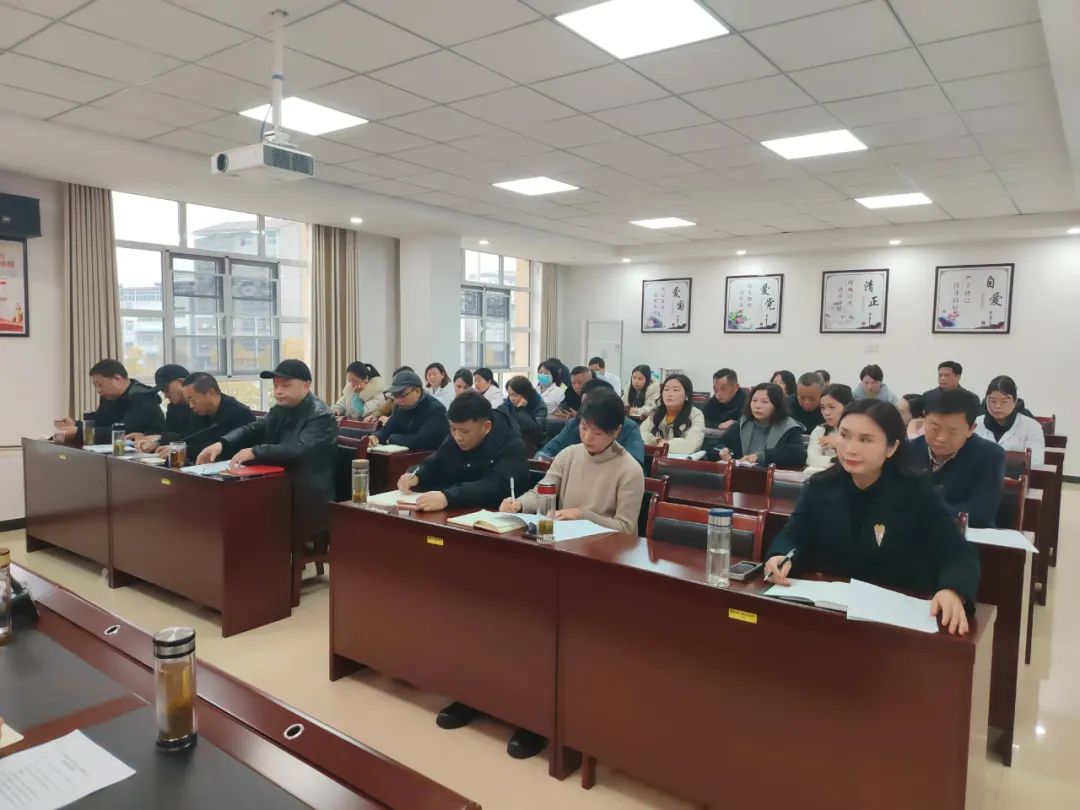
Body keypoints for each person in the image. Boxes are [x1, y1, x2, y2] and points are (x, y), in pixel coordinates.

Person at [764, 399, 979, 636]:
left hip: (894, 621)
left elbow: (958, 553)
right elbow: (793, 535)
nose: (850, 448)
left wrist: (952, 590)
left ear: (891, 447)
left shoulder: (918, 492)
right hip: (829, 613)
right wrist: (780, 556)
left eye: (865, 440)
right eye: (844, 435)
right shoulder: (821, 486)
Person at [196, 360, 336, 554]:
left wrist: (255, 451)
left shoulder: (321, 415)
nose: (278, 391)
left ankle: (261, 564)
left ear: (306, 385)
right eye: (275, 386)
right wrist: (222, 443)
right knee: (231, 503)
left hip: (306, 495)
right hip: (281, 483)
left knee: (247, 510)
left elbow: (299, 449)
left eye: (285, 386)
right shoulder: (281, 409)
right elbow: (255, 427)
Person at [504, 390, 645, 535]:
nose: (587, 437)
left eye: (597, 433)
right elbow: (542, 492)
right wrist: (519, 504)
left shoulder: (630, 470)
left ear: (616, 431)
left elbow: (626, 528)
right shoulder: (568, 455)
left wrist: (582, 515)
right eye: (584, 428)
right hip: (565, 539)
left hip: (605, 545)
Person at [396, 391, 529, 512]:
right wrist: (417, 475)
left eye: (464, 431)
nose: (457, 437)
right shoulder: (456, 436)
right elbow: (435, 462)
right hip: (458, 512)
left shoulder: (511, 443)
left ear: (486, 427)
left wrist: (448, 497)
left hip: (495, 516)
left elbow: (496, 486)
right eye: (453, 429)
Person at [908, 389, 1005, 528]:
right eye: (935, 428)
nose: (941, 438)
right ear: (924, 420)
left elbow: (981, 514)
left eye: (952, 431)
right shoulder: (907, 450)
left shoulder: (991, 456)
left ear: (971, 429)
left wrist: (926, 511)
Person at [538, 378, 645, 467]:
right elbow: (551, 448)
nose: (588, 437)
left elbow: (635, 464)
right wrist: (542, 459)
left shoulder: (629, 427)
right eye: (584, 405)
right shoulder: (578, 421)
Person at [53, 359, 165, 443]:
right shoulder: (109, 396)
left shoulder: (142, 396)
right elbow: (101, 422)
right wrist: (76, 425)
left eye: (100, 385)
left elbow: (122, 432)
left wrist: (78, 432)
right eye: (95, 386)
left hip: (149, 454)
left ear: (117, 378)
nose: (98, 390)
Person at [149, 372, 255, 460]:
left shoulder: (239, 413)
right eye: (188, 401)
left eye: (192, 400)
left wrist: (182, 451)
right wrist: (167, 445)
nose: (191, 406)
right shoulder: (198, 412)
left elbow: (223, 451)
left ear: (210, 393)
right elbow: (193, 440)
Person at [712, 382, 806, 467]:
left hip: (773, 478)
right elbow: (716, 445)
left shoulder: (789, 427)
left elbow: (798, 455)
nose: (757, 406)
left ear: (777, 405)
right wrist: (723, 452)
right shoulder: (744, 423)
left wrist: (761, 456)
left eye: (764, 402)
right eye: (754, 400)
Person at [370, 370, 450, 451]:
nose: (397, 401)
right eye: (395, 396)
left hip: (430, 456)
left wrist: (390, 439)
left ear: (418, 391)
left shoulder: (436, 409)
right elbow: (387, 430)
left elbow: (420, 441)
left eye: (402, 395)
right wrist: (375, 437)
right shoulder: (400, 407)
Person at [974, 376, 1045, 455]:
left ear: (1015, 402)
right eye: (992, 401)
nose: (998, 406)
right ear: (986, 400)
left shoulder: (1032, 427)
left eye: (1004, 401)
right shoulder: (974, 424)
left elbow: (1035, 460)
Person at [640, 374, 705, 454]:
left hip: (680, 461)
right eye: (666, 389)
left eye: (676, 390)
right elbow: (640, 435)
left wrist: (666, 445)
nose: (669, 394)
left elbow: (692, 445)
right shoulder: (656, 413)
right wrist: (657, 440)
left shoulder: (696, 415)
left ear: (686, 395)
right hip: (653, 458)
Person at [806, 384, 854, 472]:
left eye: (831, 407)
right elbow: (811, 459)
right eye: (822, 408)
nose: (826, 413)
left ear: (847, 406)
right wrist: (835, 461)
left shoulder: (859, 431)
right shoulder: (820, 430)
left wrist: (840, 444)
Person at [498, 375, 548, 446]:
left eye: (515, 395)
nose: (511, 398)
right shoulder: (509, 403)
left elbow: (538, 431)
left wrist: (521, 410)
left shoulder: (539, 405)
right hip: (513, 441)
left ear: (525, 394)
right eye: (509, 395)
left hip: (534, 444)